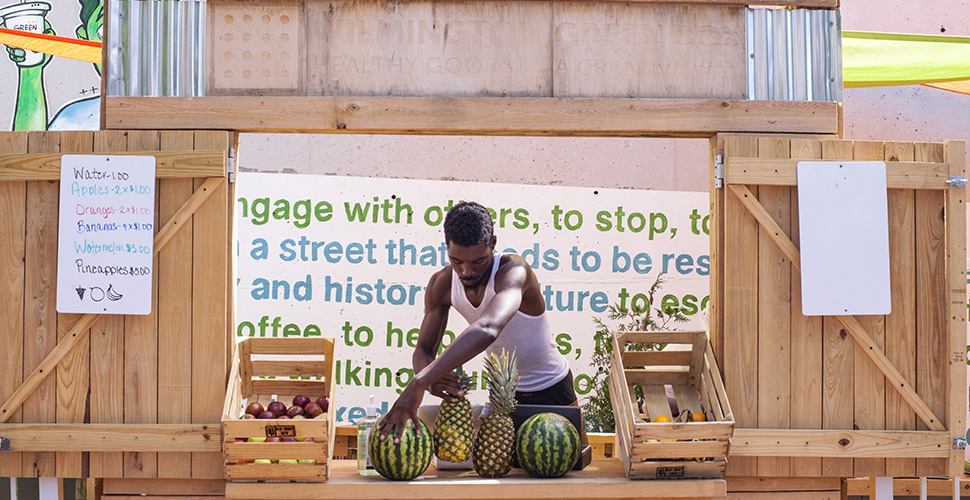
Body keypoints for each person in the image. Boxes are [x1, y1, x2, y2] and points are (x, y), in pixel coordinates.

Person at [377, 201, 585, 443]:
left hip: (552, 389)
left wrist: (420, 382)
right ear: (447, 249)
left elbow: (489, 327)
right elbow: (424, 348)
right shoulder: (441, 284)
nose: (467, 271)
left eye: (477, 261)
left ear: (492, 244)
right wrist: (428, 376)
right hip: (503, 395)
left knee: (568, 472)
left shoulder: (513, 271)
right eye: (457, 261)